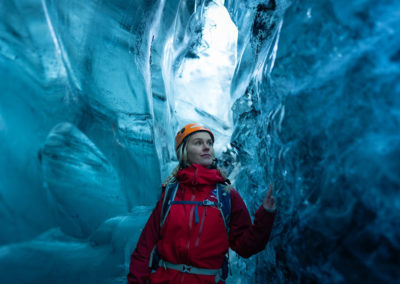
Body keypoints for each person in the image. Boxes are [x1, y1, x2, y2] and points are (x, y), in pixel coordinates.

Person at [128, 123, 276, 283]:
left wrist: (266, 214)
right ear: (184, 151)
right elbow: (145, 248)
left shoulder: (226, 195)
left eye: (209, 143)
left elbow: (246, 247)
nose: (206, 147)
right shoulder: (170, 194)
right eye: (198, 143)